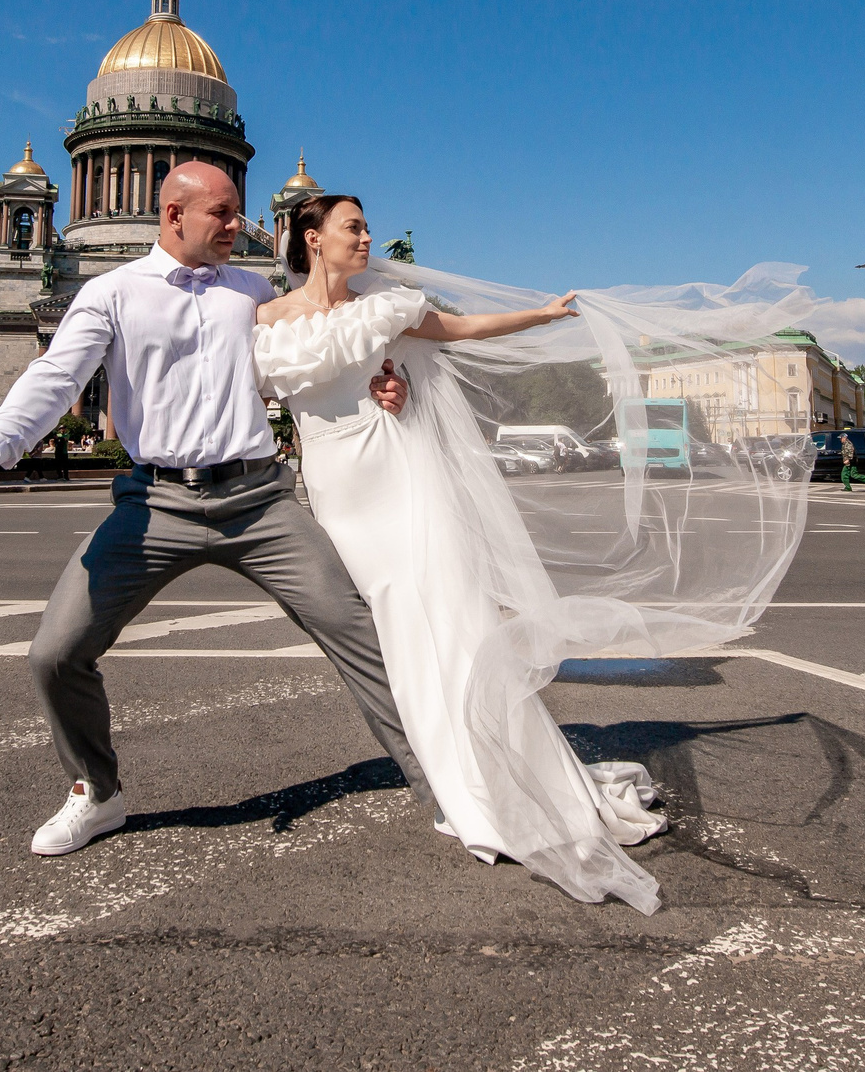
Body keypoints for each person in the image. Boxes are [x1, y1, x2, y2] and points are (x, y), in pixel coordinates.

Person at [0, 163, 427, 862]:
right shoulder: (111, 292)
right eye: (222, 213)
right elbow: (56, 377)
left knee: (361, 635)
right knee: (55, 653)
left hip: (257, 500)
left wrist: (384, 384)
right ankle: (96, 792)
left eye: (239, 212)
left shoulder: (255, 289)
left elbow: (335, 343)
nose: (237, 226)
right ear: (173, 216)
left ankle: (439, 782)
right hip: (154, 502)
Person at [251, 193, 686, 914]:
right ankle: (459, 773)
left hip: (399, 477)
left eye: (368, 227)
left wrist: (542, 315)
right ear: (313, 237)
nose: (367, 238)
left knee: (448, 627)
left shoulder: (385, 306)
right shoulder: (266, 317)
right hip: (335, 491)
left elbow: (460, 329)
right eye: (353, 227)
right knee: (398, 637)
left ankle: (489, 783)